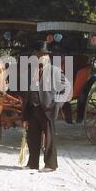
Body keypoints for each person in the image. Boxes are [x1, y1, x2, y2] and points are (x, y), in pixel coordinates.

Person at [21, 41, 72, 172]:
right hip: (32, 108)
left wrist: (59, 103)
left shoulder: (54, 71)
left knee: (49, 139)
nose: (39, 57)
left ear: (46, 57)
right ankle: (33, 163)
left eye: (41, 55)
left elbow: (67, 87)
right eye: (37, 55)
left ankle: (50, 165)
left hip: (47, 109)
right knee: (32, 138)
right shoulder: (30, 71)